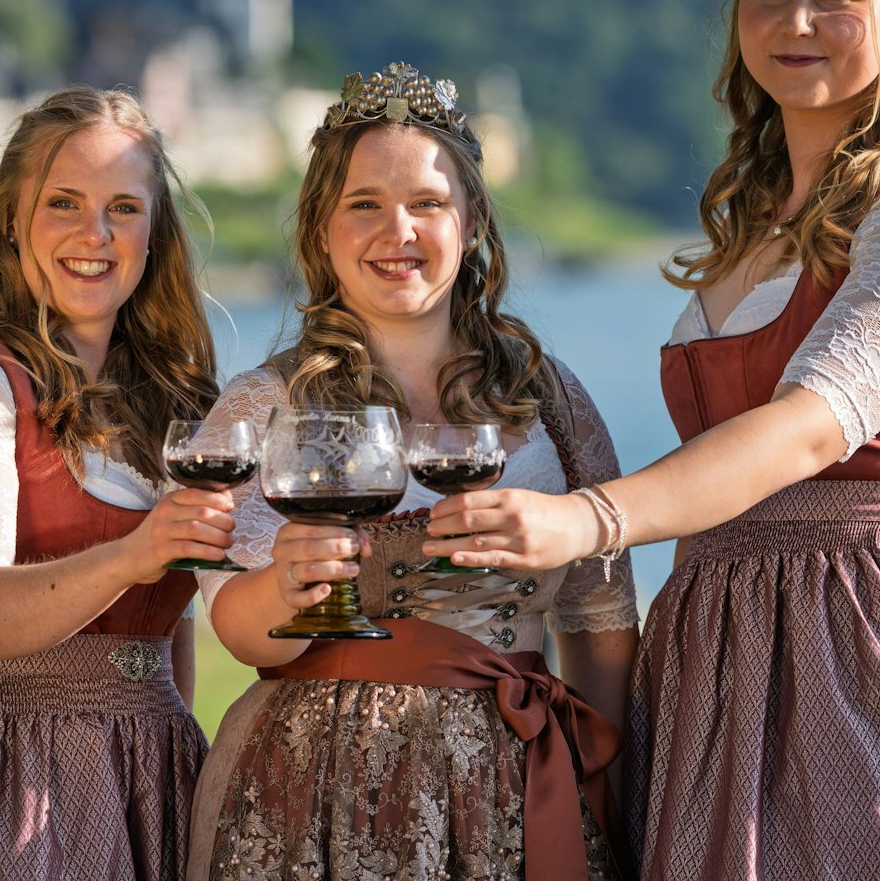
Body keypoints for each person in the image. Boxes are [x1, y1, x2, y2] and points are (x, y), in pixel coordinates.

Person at [424, 0, 880, 880]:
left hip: (859, 632)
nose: (796, 18)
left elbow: (806, 430)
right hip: (720, 635)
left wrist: (587, 519)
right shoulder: (754, 225)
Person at [184, 63, 640, 881]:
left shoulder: (551, 397)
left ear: (470, 224)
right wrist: (286, 585)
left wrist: (606, 791)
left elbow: (601, 626)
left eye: (427, 203)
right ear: (322, 229)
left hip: (519, 782)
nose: (398, 231)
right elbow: (234, 624)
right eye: (364, 204)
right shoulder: (262, 404)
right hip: (317, 791)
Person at [0, 86, 233, 881]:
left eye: (124, 208)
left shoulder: (172, 401)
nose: (94, 234)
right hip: (9, 766)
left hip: (153, 768)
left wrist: (171, 751)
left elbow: (170, 633)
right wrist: (133, 555)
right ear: (10, 218)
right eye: (63, 202)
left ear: (154, 230)